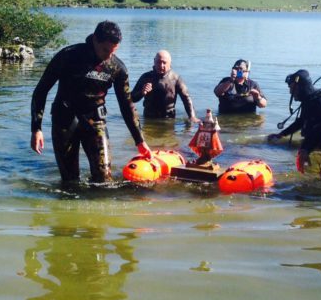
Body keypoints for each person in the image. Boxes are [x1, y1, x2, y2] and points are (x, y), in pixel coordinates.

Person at [30, 20, 151, 183]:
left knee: (104, 179)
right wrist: (36, 129)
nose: (108, 56)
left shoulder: (117, 68)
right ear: (95, 39)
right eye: (105, 50)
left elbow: (127, 105)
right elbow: (41, 91)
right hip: (64, 120)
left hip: (95, 121)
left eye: (113, 51)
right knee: (70, 181)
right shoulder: (68, 56)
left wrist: (140, 140)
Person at [267, 69, 321, 144]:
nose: (290, 92)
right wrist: (280, 135)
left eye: (292, 88)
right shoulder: (309, 100)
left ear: (301, 88)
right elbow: (301, 122)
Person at [131, 49, 198, 122]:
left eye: (164, 63)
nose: (161, 65)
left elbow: (186, 99)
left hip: (168, 119)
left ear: (170, 63)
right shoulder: (146, 77)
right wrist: (142, 92)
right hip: (149, 118)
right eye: (158, 62)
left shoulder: (175, 78)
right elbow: (132, 98)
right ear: (154, 61)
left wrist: (192, 116)